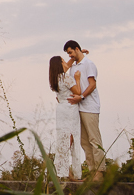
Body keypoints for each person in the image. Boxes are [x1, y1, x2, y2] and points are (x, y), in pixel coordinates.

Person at [65, 39, 105, 180]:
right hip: (77, 108)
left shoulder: (89, 64)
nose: (69, 55)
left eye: (70, 52)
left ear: (76, 48)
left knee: (94, 139)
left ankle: (100, 171)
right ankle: (93, 171)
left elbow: (92, 84)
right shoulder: (73, 67)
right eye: (68, 54)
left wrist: (81, 97)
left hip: (89, 106)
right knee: (84, 142)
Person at [48, 53, 83, 181]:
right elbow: (78, 92)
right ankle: (62, 169)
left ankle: (65, 172)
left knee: (63, 138)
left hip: (61, 109)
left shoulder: (54, 79)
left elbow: (67, 66)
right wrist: (77, 79)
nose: (65, 62)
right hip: (69, 109)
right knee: (70, 138)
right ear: (59, 64)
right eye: (63, 61)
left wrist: (75, 56)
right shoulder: (66, 78)